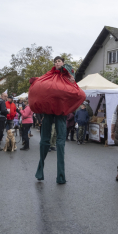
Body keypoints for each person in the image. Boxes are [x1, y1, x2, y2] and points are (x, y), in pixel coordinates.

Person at [35, 56, 76, 184]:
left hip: (61, 111)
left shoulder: (67, 72)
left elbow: (72, 80)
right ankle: (39, 172)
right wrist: (35, 81)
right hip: (48, 110)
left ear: (63, 62)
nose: (57, 63)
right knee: (44, 141)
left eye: (59, 61)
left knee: (60, 143)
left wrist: (68, 73)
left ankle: (61, 176)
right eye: (55, 61)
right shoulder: (50, 74)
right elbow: (41, 81)